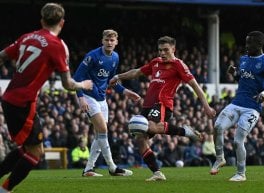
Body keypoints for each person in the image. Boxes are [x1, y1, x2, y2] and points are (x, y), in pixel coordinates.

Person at [0, 3, 92, 192]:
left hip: (10, 97)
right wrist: (83, 84)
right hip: (22, 102)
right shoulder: (56, 46)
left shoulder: (27, 37)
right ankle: (5, 189)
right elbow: (67, 84)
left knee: (27, 149)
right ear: (62, 22)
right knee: (35, 153)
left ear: (42, 20)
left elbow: (2, 55)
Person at [110, 36, 216, 181]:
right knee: (140, 140)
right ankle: (157, 173)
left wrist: (206, 106)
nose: (162, 53)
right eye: (160, 50)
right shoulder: (156, 62)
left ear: (173, 49)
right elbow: (137, 72)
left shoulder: (179, 65)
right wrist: (118, 76)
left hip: (163, 104)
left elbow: (195, 85)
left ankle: (185, 131)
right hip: (147, 105)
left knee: (152, 127)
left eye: (166, 50)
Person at [210, 31, 264, 181]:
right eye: (246, 42)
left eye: (249, 43)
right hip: (236, 103)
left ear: (259, 44)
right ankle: (220, 158)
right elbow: (243, 79)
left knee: (237, 140)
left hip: (252, 108)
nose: (246, 46)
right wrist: (235, 74)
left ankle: (241, 173)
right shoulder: (244, 59)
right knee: (218, 126)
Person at [73, 29, 141, 177]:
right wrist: (80, 97)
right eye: (107, 40)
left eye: (112, 40)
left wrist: (125, 92)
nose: (109, 43)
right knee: (103, 129)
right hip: (88, 95)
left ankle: (88, 169)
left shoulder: (115, 57)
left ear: (116, 42)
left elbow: (111, 81)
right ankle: (112, 167)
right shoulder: (92, 56)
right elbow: (77, 77)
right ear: (102, 41)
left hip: (102, 99)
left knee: (100, 134)